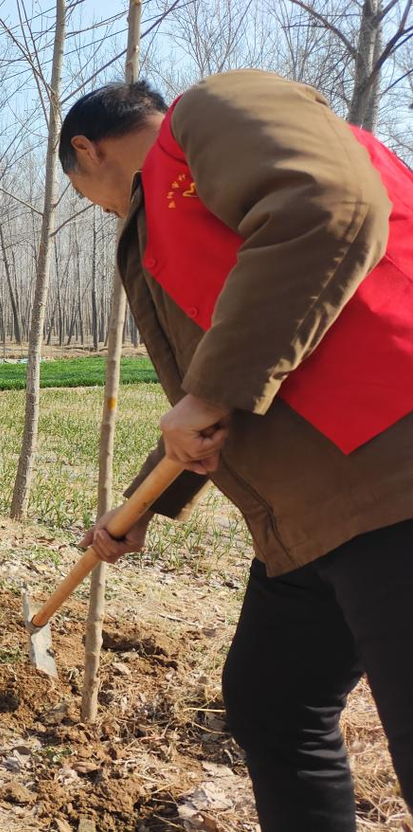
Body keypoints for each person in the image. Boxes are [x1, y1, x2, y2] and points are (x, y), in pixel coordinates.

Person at [62, 70, 413, 830]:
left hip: (393, 472)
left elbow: (333, 203)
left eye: (88, 197)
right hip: (310, 511)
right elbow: (212, 397)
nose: (103, 211)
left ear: (85, 152)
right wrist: (140, 507)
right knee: (272, 700)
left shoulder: (215, 109)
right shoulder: (164, 226)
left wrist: (211, 392)